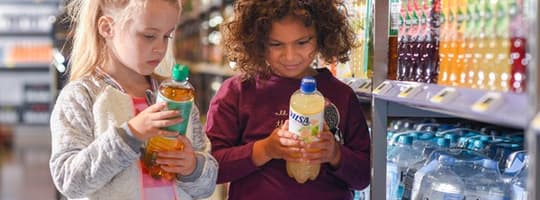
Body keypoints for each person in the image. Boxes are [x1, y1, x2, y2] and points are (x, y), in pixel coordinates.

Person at [49, 0, 217, 199]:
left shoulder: (178, 97)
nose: (160, 48)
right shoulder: (81, 97)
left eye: (167, 36)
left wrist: (192, 167)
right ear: (107, 27)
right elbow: (70, 182)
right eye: (149, 36)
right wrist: (131, 134)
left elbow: (207, 185)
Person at [205, 0, 370, 199]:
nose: (290, 56)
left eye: (302, 42)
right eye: (276, 44)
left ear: (322, 35)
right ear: (257, 41)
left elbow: (363, 177)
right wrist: (266, 149)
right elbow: (210, 170)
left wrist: (335, 154)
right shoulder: (237, 92)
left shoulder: (342, 95)